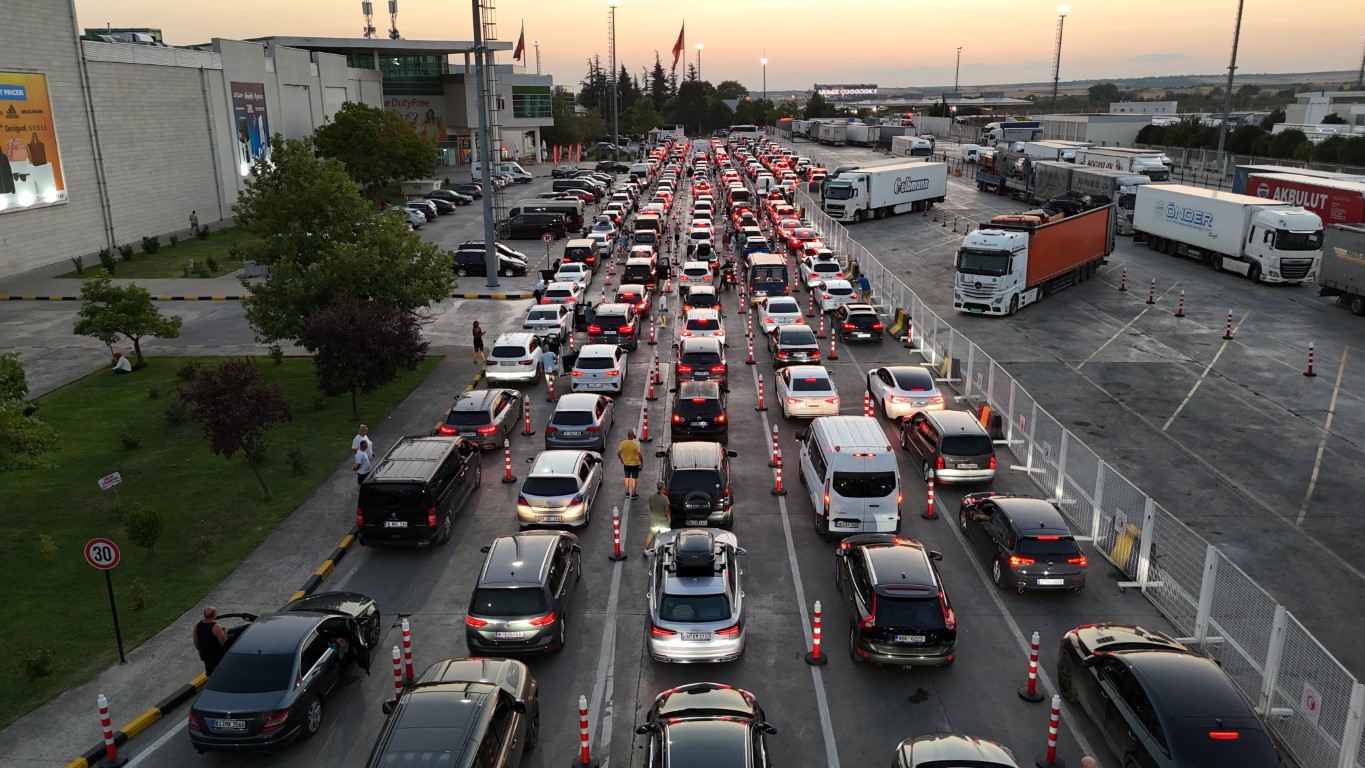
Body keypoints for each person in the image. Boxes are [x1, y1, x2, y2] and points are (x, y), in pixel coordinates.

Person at [193, 606, 229, 675]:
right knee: (221, 673)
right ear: (214, 615)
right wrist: (225, 632)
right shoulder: (216, 627)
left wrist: (201, 650)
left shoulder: (197, 625)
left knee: (210, 673)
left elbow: (196, 642)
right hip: (217, 656)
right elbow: (223, 642)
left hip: (205, 655)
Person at [644, 481, 671, 553]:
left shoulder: (651, 496)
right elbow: (667, 511)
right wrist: (669, 519)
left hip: (654, 519)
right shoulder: (665, 498)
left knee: (651, 533)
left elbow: (650, 508)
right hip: (663, 521)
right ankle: (666, 550)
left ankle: (645, 549)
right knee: (666, 535)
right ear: (663, 488)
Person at [617, 429, 642, 498]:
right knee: (634, 479)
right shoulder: (636, 445)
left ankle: (627, 493)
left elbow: (618, 453)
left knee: (627, 477)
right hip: (634, 464)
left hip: (626, 463)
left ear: (627, 436)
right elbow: (639, 455)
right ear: (633, 436)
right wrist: (641, 463)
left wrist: (621, 460)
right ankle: (633, 494)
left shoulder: (623, 443)